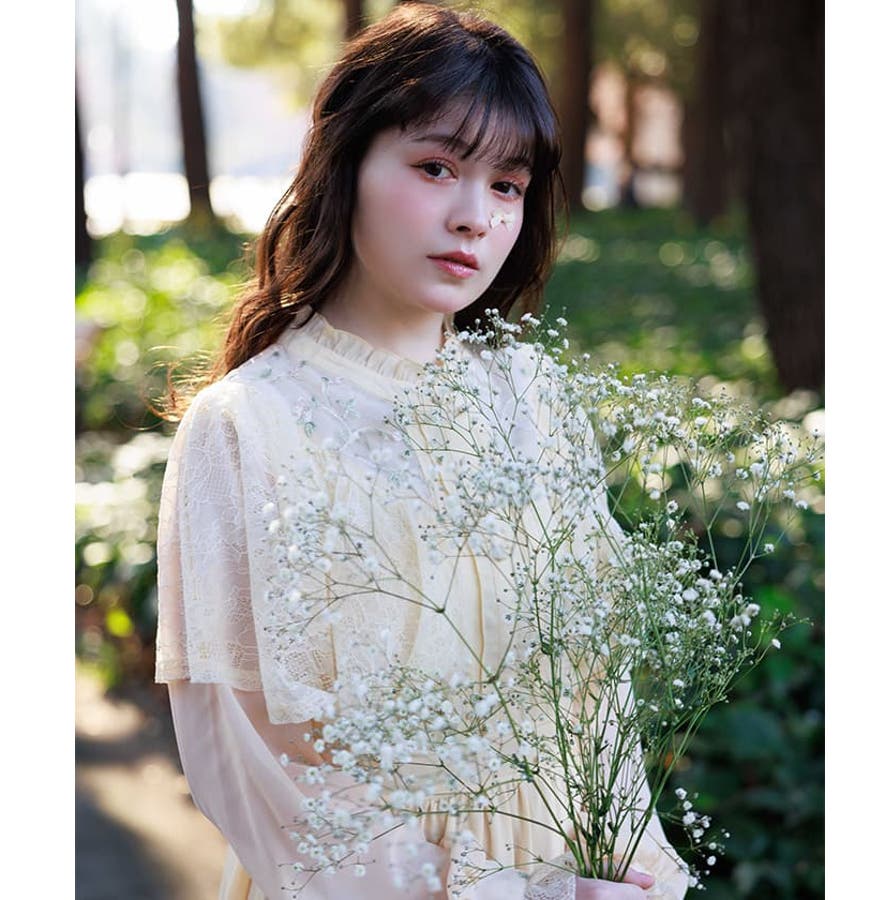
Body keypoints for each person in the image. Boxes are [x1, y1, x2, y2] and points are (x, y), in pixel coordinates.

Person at [154, 4, 689, 899]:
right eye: (437, 167)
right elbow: (248, 759)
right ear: (345, 164)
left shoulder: (532, 396)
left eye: (508, 185)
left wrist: (632, 865)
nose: (475, 217)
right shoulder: (247, 426)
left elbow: (594, 695)